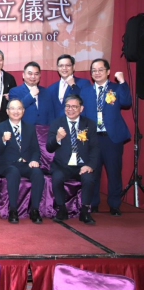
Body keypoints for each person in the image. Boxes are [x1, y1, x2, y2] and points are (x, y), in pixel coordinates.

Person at [80, 59, 131, 216]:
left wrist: (122, 82)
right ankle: (93, 203)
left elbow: (126, 102)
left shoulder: (116, 88)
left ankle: (114, 204)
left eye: (100, 70)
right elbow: (82, 115)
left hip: (112, 138)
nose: (97, 73)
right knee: (93, 172)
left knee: (114, 172)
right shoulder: (85, 91)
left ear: (108, 72)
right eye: (94, 70)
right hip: (93, 138)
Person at [47, 94, 98, 225]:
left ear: (81, 108)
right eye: (68, 106)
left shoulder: (90, 124)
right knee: (57, 177)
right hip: (62, 165)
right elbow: (49, 148)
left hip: (82, 165)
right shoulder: (57, 123)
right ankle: (62, 209)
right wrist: (57, 138)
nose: (70, 109)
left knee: (89, 178)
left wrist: (90, 165)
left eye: (74, 107)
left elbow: (95, 148)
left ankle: (85, 211)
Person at [0, 99, 44, 224]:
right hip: (7, 164)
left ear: (23, 110)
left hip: (25, 164)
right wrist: (3, 140)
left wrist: (34, 160)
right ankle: (13, 209)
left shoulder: (30, 128)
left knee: (37, 172)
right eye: (12, 108)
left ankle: (35, 210)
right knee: (13, 172)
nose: (16, 111)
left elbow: (35, 149)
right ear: (7, 111)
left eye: (19, 108)